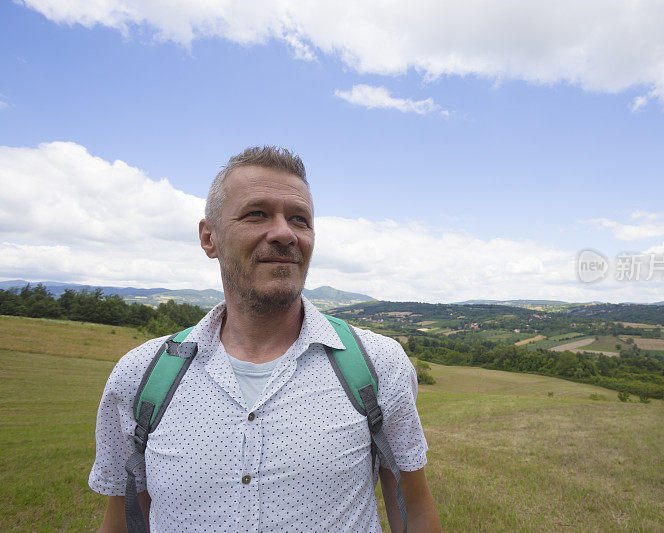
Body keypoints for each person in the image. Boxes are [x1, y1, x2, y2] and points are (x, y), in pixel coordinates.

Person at [89, 146, 442, 532]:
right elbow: (124, 517)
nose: (284, 233)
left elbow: (412, 504)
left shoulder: (377, 364)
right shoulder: (140, 376)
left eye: (300, 219)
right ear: (209, 238)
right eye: (257, 214)